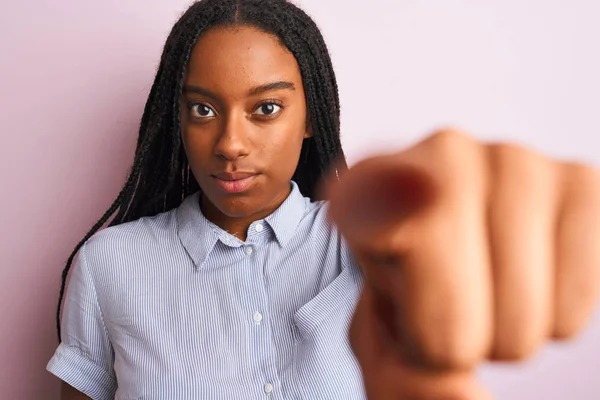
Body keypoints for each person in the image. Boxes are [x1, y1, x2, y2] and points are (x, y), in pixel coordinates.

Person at [47, 0, 600, 399]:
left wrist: (464, 216)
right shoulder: (110, 265)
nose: (231, 144)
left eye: (265, 108)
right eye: (203, 109)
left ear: (310, 117)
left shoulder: (368, 254)